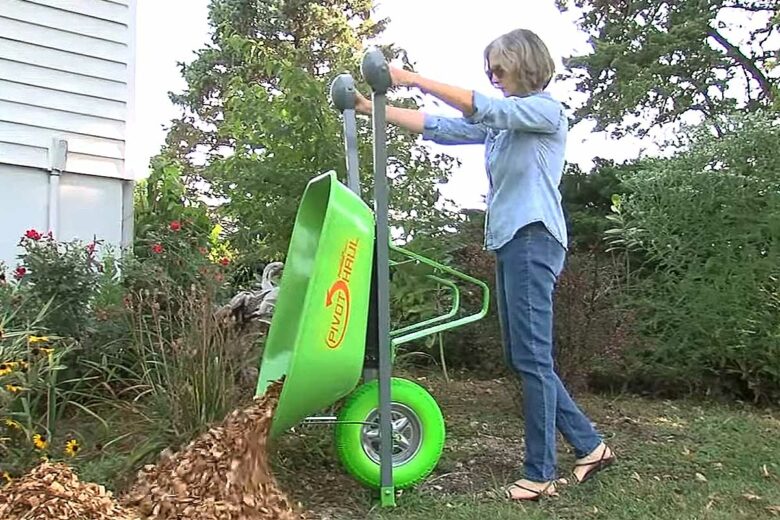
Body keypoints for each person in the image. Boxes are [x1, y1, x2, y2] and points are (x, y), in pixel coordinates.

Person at [353, 28, 615, 501]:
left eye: (499, 66)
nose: (492, 75)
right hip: (513, 241)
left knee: (532, 358)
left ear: (525, 62)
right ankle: (591, 446)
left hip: (533, 237)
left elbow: (485, 108)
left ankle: (539, 474)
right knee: (525, 356)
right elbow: (444, 128)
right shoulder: (503, 124)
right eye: (488, 69)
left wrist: (407, 76)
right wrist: (373, 109)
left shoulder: (544, 110)